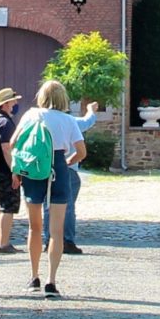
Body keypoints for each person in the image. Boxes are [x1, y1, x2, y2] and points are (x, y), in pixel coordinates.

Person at [13, 79, 86, 296]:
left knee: (34, 227)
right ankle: (51, 281)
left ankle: (34, 276)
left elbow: (14, 142)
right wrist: (69, 161)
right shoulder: (68, 120)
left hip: (34, 168)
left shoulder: (31, 115)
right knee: (56, 230)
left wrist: (17, 170)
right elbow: (81, 151)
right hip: (58, 168)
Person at [62, 97, 105, 254]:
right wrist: (91, 110)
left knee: (49, 206)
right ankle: (67, 241)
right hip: (69, 168)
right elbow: (88, 121)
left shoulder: (43, 120)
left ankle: (49, 240)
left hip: (49, 168)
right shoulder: (71, 121)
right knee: (68, 206)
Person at [0, 88, 23, 255]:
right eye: (13, 100)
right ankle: (4, 244)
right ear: (6, 103)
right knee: (7, 207)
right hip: (4, 170)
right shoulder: (5, 123)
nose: (16, 103)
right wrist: (14, 170)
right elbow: (6, 148)